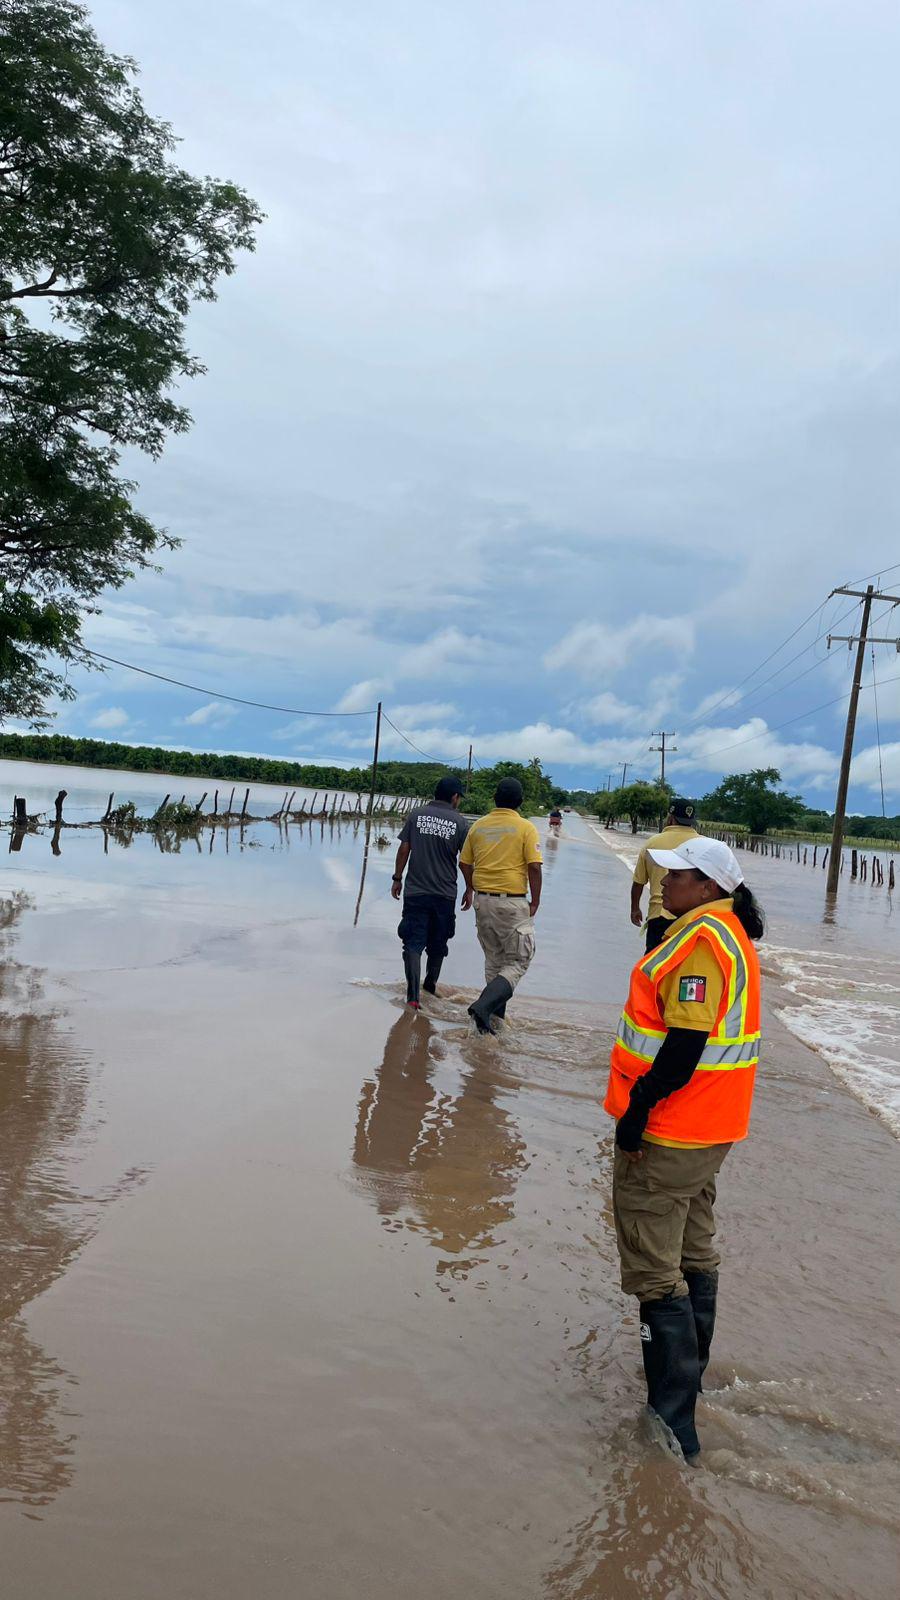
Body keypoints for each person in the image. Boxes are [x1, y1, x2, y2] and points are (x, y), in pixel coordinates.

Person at [605, 837, 764, 1462]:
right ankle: (688, 1387)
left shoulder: (701, 942)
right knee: (694, 1249)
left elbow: (683, 1046)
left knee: (654, 1266)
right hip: (712, 1127)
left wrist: (636, 1113)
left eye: (678, 876)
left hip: (674, 1129)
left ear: (709, 886)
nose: (664, 883)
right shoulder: (726, 934)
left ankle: (673, 1426)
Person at [459, 777, 543, 1033]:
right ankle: (483, 1008)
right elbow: (534, 867)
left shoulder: (479, 826)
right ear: (520, 802)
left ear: (495, 798)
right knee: (518, 962)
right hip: (512, 902)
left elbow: (464, 863)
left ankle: (491, 1028)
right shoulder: (526, 827)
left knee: (495, 964)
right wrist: (536, 901)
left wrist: (471, 888)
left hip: (482, 904)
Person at [391, 775, 470, 1009]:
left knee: (412, 944)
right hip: (445, 894)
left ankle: (413, 997)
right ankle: (430, 986)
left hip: (416, 891)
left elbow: (404, 848)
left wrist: (397, 878)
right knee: (438, 944)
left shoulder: (416, 815)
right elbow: (465, 861)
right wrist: (470, 888)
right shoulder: (460, 823)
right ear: (454, 797)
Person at [630, 798, 700, 952]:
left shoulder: (653, 843)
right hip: (693, 920)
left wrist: (635, 909)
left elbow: (638, 882)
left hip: (659, 916)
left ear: (671, 818)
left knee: (653, 968)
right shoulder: (704, 846)